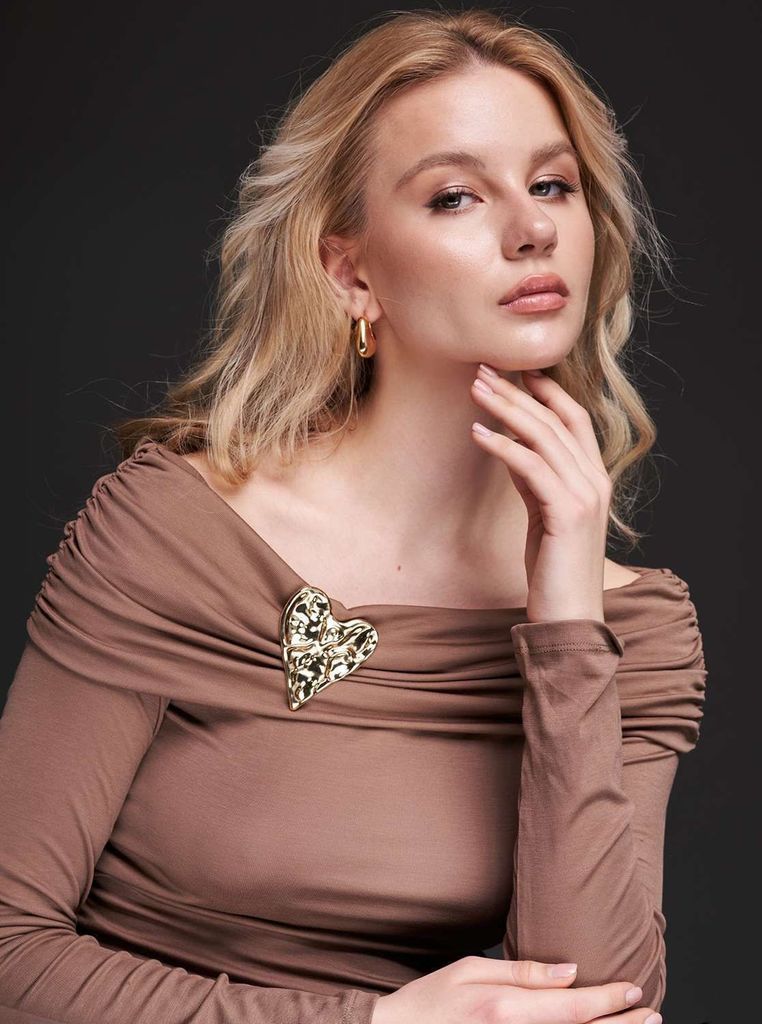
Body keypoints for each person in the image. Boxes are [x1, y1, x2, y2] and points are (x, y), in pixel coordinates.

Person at [0, 8, 708, 1024]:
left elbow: (599, 1001)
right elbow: (8, 949)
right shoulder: (178, 532)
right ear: (349, 272)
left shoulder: (633, 627)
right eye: (457, 196)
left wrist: (564, 620)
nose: (533, 228)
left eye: (553, 185)